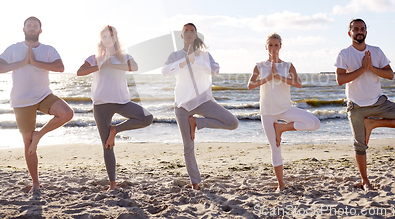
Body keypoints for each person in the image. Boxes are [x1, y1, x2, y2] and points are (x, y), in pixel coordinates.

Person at [334, 19, 395, 191]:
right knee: (360, 146)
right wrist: (363, 69)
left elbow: (390, 75)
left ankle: (373, 123)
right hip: (356, 107)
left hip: (379, 103)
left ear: (366, 32)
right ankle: (365, 181)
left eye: (362, 29)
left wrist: (371, 67)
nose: (359, 31)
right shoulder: (344, 53)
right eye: (355, 29)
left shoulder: (376, 51)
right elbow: (340, 80)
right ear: (349, 33)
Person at [0, 16, 74, 193]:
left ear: (40, 30)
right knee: (28, 145)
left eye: (35, 26)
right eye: (28, 26)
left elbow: (60, 67)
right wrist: (22, 62)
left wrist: (35, 62)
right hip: (22, 101)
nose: (31, 28)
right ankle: (36, 183)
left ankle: (39, 135)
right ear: (23, 29)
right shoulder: (13, 49)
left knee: (67, 113)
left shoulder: (48, 50)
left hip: (43, 95)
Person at [161, 23, 239, 190]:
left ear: (196, 35)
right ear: (181, 35)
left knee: (232, 122)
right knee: (188, 146)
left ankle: (197, 123)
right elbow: (165, 71)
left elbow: (215, 69)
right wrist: (183, 62)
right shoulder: (175, 55)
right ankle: (195, 183)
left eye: (192, 31)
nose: (189, 33)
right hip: (182, 105)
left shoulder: (204, 55)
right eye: (186, 31)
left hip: (204, 101)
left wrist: (195, 61)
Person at [77, 25, 153, 191]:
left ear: (115, 39)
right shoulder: (94, 58)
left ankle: (115, 130)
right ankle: (113, 184)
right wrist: (101, 66)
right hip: (101, 105)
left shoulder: (125, 56)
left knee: (147, 118)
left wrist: (113, 64)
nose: (107, 39)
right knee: (107, 145)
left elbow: (135, 67)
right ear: (101, 40)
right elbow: (80, 72)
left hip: (122, 101)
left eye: (110, 36)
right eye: (104, 37)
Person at [248, 33, 320, 192]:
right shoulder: (259, 66)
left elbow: (298, 84)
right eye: (270, 45)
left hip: (286, 108)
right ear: (266, 47)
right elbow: (250, 85)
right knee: (275, 148)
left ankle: (281, 128)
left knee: (314, 123)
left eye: (276, 45)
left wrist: (279, 76)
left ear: (280, 46)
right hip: (267, 111)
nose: (273, 48)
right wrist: (268, 78)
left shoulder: (288, 66)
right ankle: (281, 184)